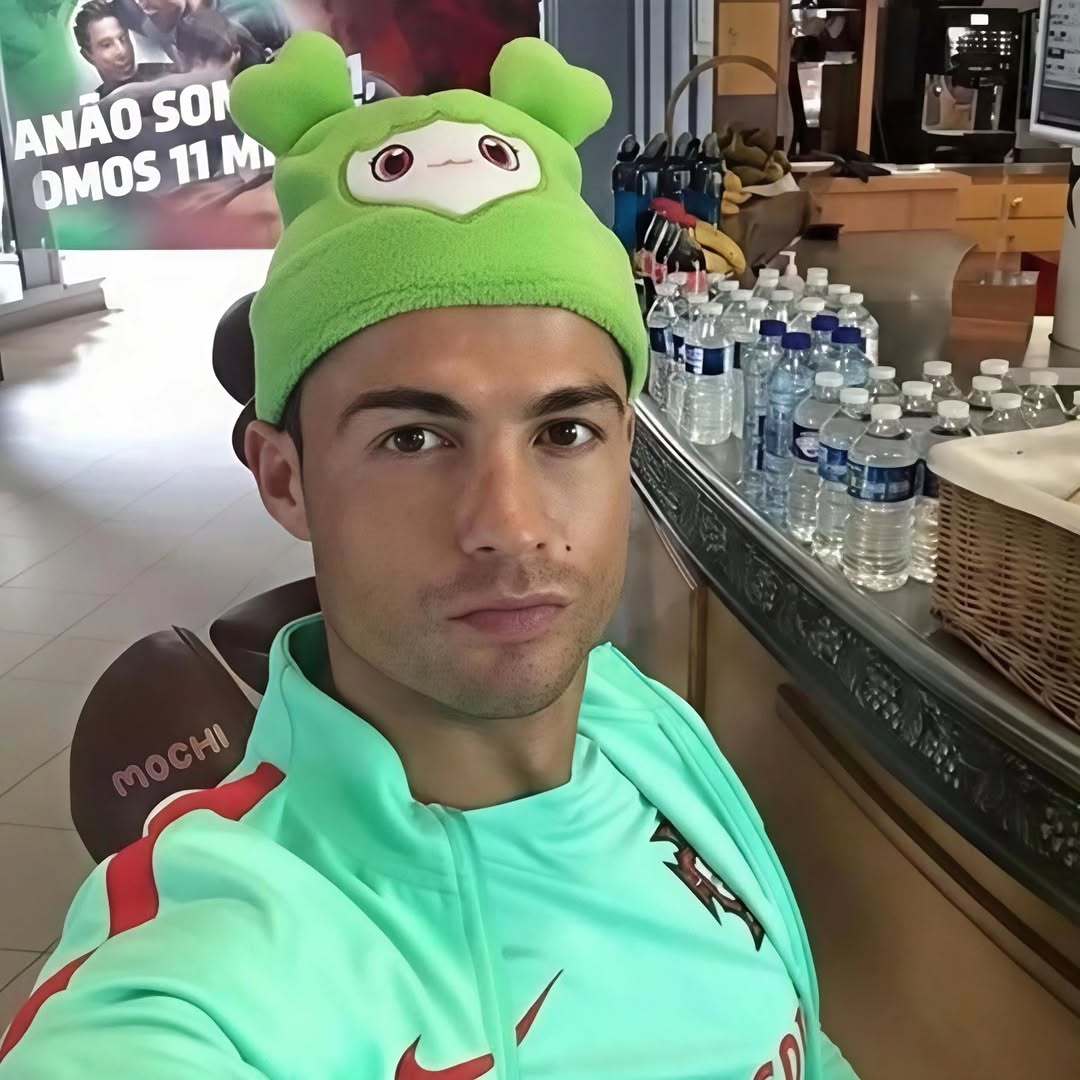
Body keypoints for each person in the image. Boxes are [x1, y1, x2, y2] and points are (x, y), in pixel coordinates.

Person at [0, 32, 859, 1080]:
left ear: (626, 448)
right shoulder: (210, 974)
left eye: (564, 431)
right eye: (413, 438)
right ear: (285, 480)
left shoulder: (642, 721)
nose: (509, 524)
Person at [72, 0, 171, 97]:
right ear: (88, 56)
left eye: (123, 38)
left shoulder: (169, 74)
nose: (122, 51)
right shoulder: (94, 106)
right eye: (107, 45)